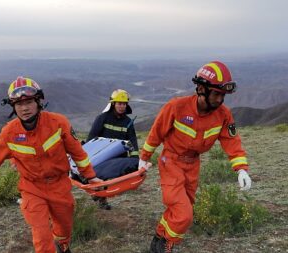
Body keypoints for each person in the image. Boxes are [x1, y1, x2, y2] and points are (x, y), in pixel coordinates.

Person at [0, 76, 103, 253]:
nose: (24, 108)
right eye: (19, 104)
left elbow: (78, 153)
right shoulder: (9, 133)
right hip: (32, 188)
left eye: (29, 101)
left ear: (38, 101)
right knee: (41, 233)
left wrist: (90, 176)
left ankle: (62, 246)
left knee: (64, 227)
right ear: (13, 107)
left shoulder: (59, 123)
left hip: (60, 185)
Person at [138, 61, 252, 252]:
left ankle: (159, 237)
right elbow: (156, 133)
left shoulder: (224, 115)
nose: (220, 100)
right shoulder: (176, 107)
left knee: (182, 209)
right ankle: (167, 245)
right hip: (171, 162)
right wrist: (144, 157)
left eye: (223, 95)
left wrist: (241, 169)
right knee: (184, 214)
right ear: (201, 89)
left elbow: (232, 142)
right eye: (216, 94)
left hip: (193, 165)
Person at [86, 89, 139, 210]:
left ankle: (100, 195)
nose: (122, 106)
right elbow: (91, 138)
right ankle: (101, 198)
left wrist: (135, 159)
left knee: (111, 176)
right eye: (119, 103)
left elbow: (133, 141)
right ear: (113, 104)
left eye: (124, 104)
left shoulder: (128, 122)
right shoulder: (102, 118)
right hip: (101, 155)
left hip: (119, 156)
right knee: (100, 177)